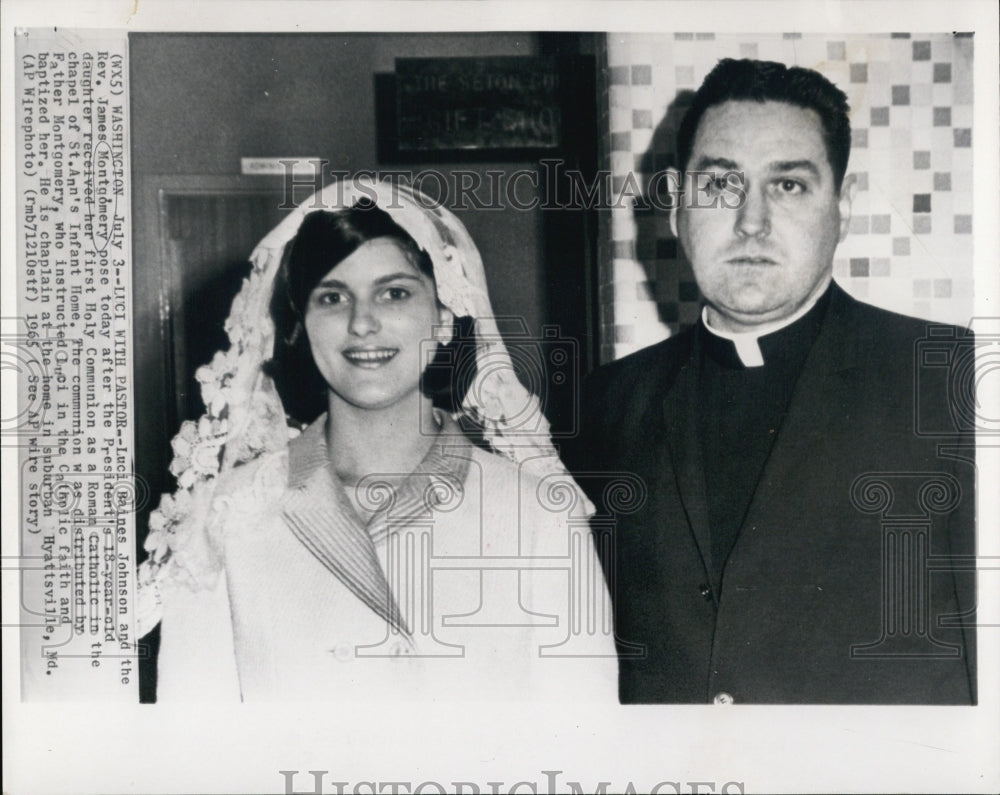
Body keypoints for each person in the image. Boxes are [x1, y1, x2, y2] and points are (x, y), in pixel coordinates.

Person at [568, 58, 976, 704]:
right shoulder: (606, 405)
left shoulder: (956, 382)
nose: (750, 222)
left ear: (842, 208)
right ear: (676, 206)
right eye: (722, 186)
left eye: (787, 187)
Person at [137, 178, 616, 701]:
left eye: (394, 293)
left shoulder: (539, 514)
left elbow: (583, 748)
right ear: (300, 325)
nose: (362, 322)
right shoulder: (223, 516)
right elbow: (194, 753)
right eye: (332, 297)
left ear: (444, 317)